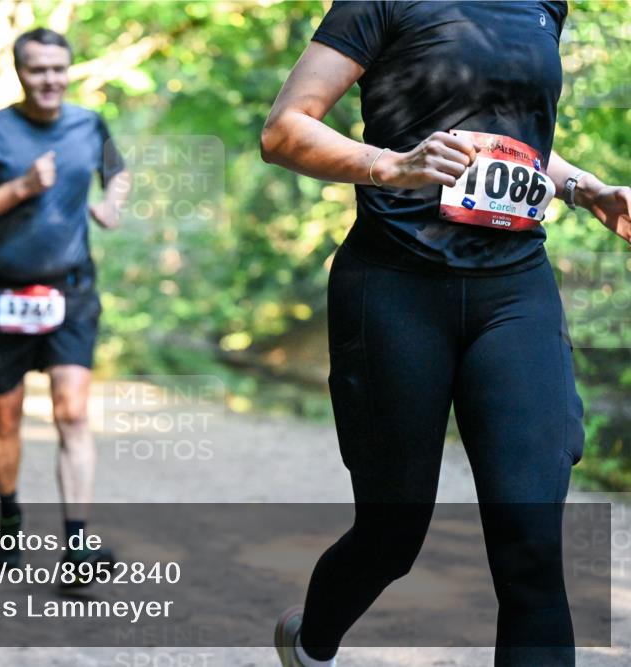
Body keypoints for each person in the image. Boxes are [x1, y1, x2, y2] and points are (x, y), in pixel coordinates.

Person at [260, 2, 629, 666]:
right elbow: (284, 131)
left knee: (532, 542)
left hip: (514, 288)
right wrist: (393, 166)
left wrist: (582, 187)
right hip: (395, 285)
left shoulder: (544, 5)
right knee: (392, 532)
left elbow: (510, 140)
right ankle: (312, 637)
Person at [0, 27, 130, 580]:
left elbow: (117, 172)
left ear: (68, 70)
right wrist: (20, 188)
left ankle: (76, 550)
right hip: (2, 292)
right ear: (19, 72)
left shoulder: (87, 124)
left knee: (72, 413)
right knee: (3, 418)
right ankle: (9, 524)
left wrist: (111, 204)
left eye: (58, 69)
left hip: (70, 289)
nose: (49, 79)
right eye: (37, 70)